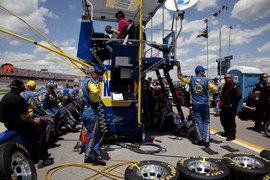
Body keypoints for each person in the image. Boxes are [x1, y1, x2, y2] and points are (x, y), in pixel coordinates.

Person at [0, 79, 53, 168]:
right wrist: (35, 122)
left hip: (8, 124)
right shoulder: (19, 99)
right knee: (40, 133)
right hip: (18, 124)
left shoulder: (6, 96)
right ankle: (42, 159)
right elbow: (25, 118)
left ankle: (33, 151)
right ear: (20, 87)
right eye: (23, 85)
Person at [175, 62, 218, 147]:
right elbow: (215, 89)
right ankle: (206, 141)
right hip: (205, 104)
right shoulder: (206, 80)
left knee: (198, 122)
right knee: (206, 122)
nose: (204, 72)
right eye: (203, 71)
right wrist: (209, 92)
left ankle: (200, 139)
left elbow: (180, 76)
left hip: (195, 104)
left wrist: (179, 67)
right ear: (200, 72)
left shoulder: (191, 79)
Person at [81, 66, 106, 166]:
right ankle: (88, 156)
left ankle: (95, 153)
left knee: (96, 133)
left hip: (86, 110)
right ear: (91, 73)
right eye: (97, 73)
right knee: (92, 134)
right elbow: (95, 91)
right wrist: (96, 99)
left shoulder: (84, 81)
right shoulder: (90, 81)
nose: (98, 75)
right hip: (91, 110)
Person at [219, 73, 242, 141]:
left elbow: (239, 96)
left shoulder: (235, 86)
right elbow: (223, 94)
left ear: (231, 78)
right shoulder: (225, 86)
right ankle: (226, 131)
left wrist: (233, 103)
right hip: (224, 105)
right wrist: (220, 99)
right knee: (223, 119)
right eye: (225, 78)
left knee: (231, 120)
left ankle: (232, 135)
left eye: (228, 78)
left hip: (231, 106)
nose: (226, 79)